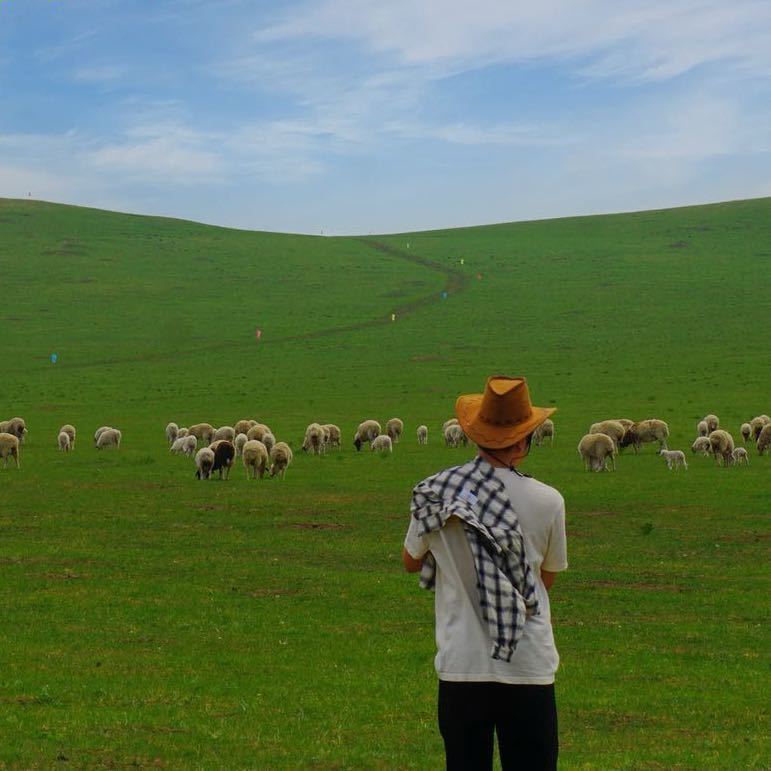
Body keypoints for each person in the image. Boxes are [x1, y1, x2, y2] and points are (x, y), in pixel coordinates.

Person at [403, 376, 567, 770]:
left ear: (475, 435)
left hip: (463, 665)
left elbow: (411, 561)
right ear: (524, 441)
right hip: (527, 665)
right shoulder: (548, 501)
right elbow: (546, 577)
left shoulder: (435, 492)